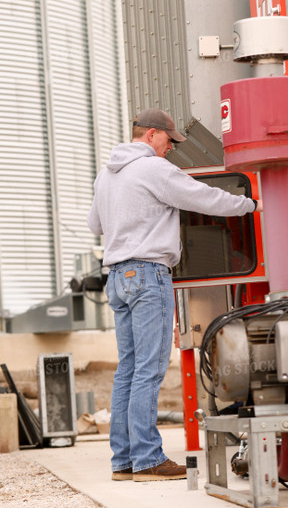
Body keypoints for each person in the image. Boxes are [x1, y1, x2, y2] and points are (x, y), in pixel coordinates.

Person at [87, 108, 263, 482]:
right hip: (149, 274)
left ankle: (124, 461)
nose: (171, 149)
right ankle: (148, 460)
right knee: (148, 371)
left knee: (128, 371)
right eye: (169, 141)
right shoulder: (153, 169)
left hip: (117, 276)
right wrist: (251, 205)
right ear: (151, 134)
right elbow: (204, 199)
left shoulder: (107, 174)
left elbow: (95, 224)